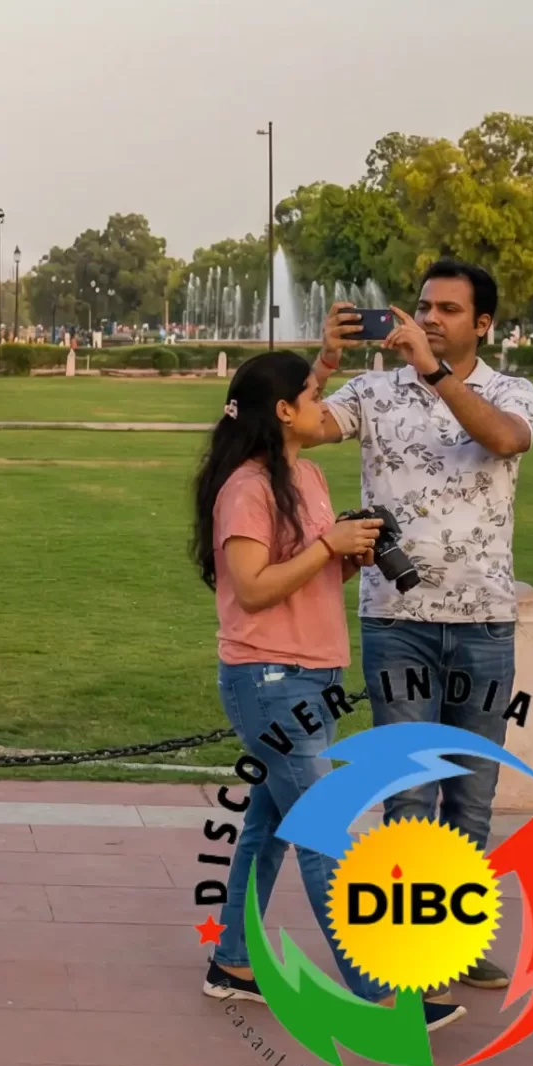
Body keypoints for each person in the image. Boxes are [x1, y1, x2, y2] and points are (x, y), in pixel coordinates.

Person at [194, 351, 464, 1031]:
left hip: (313, 673)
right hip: (267, 678)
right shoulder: (246, 488)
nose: (324, 405)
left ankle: (232, 961)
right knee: (322, 832)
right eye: (315, 394)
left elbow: (301, 578)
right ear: (284, 410)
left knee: (267, 827)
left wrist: (347, 555)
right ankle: (380, 991)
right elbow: (253, 589)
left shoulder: (306, 475)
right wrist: (326, 545)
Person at [307, 259, 533, 996]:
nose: (429, 317)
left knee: (470, 795)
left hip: (483, 621)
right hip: (395, 618)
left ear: (484, 324)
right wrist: (324, 360)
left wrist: (436, 374)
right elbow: (304, 426)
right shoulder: (374, 390)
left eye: (447, 308)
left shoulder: (507, 389)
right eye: (423, 306)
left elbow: (503, 438)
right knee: (408, 794)